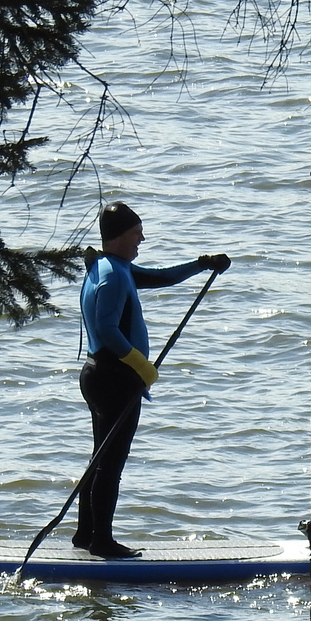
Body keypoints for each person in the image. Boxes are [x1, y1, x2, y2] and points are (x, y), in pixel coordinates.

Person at [75, 201, 230, 559]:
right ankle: (102, 542)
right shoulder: (114, 276)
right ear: (117, 237)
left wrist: (202, 264)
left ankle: (85, 535)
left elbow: (160, 277)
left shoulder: (108, 266)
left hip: (96, 373)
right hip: (114, 377)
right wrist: (141, 367)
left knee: (99, 457)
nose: (141, 238)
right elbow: (106, 329)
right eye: (135, 232)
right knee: (111, 463)